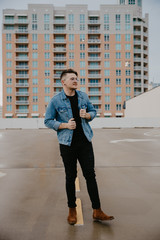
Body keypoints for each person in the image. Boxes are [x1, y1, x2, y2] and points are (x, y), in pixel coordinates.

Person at [44, 69, 114, 225]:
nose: (75, 80)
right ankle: (72, 210)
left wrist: (87, 116)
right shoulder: (56, 100)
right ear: (63, 82)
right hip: (67, 144)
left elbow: (93, 111)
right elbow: (48, 121)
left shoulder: (83, 96)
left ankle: (97, 210)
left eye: (76, 78)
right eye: (72, 78)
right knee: (70, 177)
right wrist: (64, 125)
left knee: (90, 175)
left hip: (85, 142)